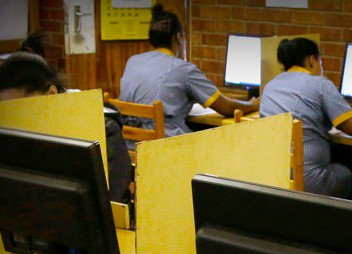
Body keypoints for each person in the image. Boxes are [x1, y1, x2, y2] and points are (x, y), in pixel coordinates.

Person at [0, 52, 132, 204]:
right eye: (8, 110)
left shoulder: (103, 128)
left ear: (52, 94)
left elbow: (110, 201)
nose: (18, 120)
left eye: (22, 108)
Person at [118, 4, 258, 140]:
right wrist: (254, 105)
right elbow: (226, 107)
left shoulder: (133, 61)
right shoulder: (183, 70)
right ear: (179, 37)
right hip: (164, 146)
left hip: (129, 144)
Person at [259, 37, 352, 198]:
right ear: (311, 60)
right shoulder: (319, 84)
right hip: (310, 181)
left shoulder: (270, 86)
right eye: (321, 63)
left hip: (274, 177)